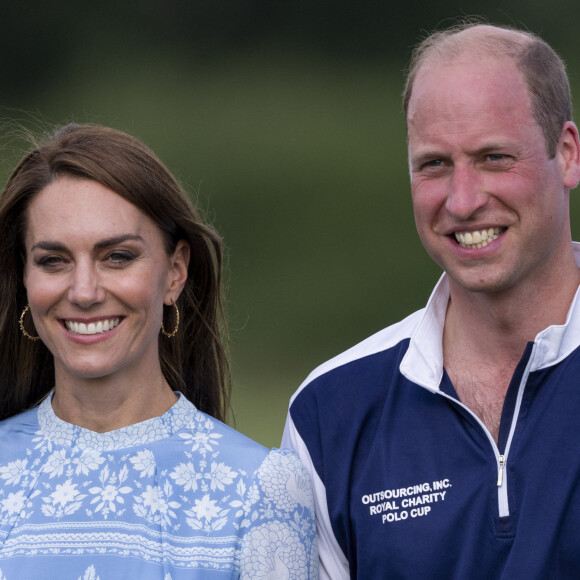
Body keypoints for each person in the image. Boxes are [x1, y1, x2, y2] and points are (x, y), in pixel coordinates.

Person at [282, 21, 580, 579]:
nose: (463, 201)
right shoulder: (329, 413)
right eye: (434, 165)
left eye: (494, 157)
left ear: (566, 154)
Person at [0, 123, 317, 579]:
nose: (84, 291)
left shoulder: (261, 488)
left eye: (117, 257)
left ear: (175, 272)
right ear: (25, 279)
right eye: (53, 261)